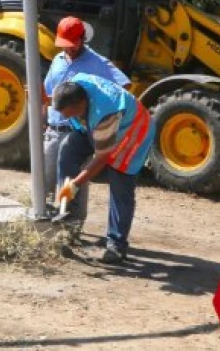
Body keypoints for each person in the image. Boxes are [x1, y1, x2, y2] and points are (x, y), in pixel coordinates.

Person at [51, 73, 156, 264]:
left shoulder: (105, 112)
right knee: (68, 149)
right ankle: (68, 219)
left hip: (131, 133)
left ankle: (116, 245)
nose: (65, 118)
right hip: (95, 127)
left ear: (81, 105)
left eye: (69, 114)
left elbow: (100, 159)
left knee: (120, 182)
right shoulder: (73, 87)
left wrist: (75, 184)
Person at [42, 16, 130, 224]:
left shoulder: (98, 63)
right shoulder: (57, 61)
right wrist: (43, 121)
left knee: (73, 180)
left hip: (76, 131)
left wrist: (96, 111)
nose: (69, 49)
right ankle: (48, 219)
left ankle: (72, 224)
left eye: (73, 45)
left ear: (83, 39)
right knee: (47, 180)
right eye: (65, 45)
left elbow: (123, 87)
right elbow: (47, 94)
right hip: (53, 130)